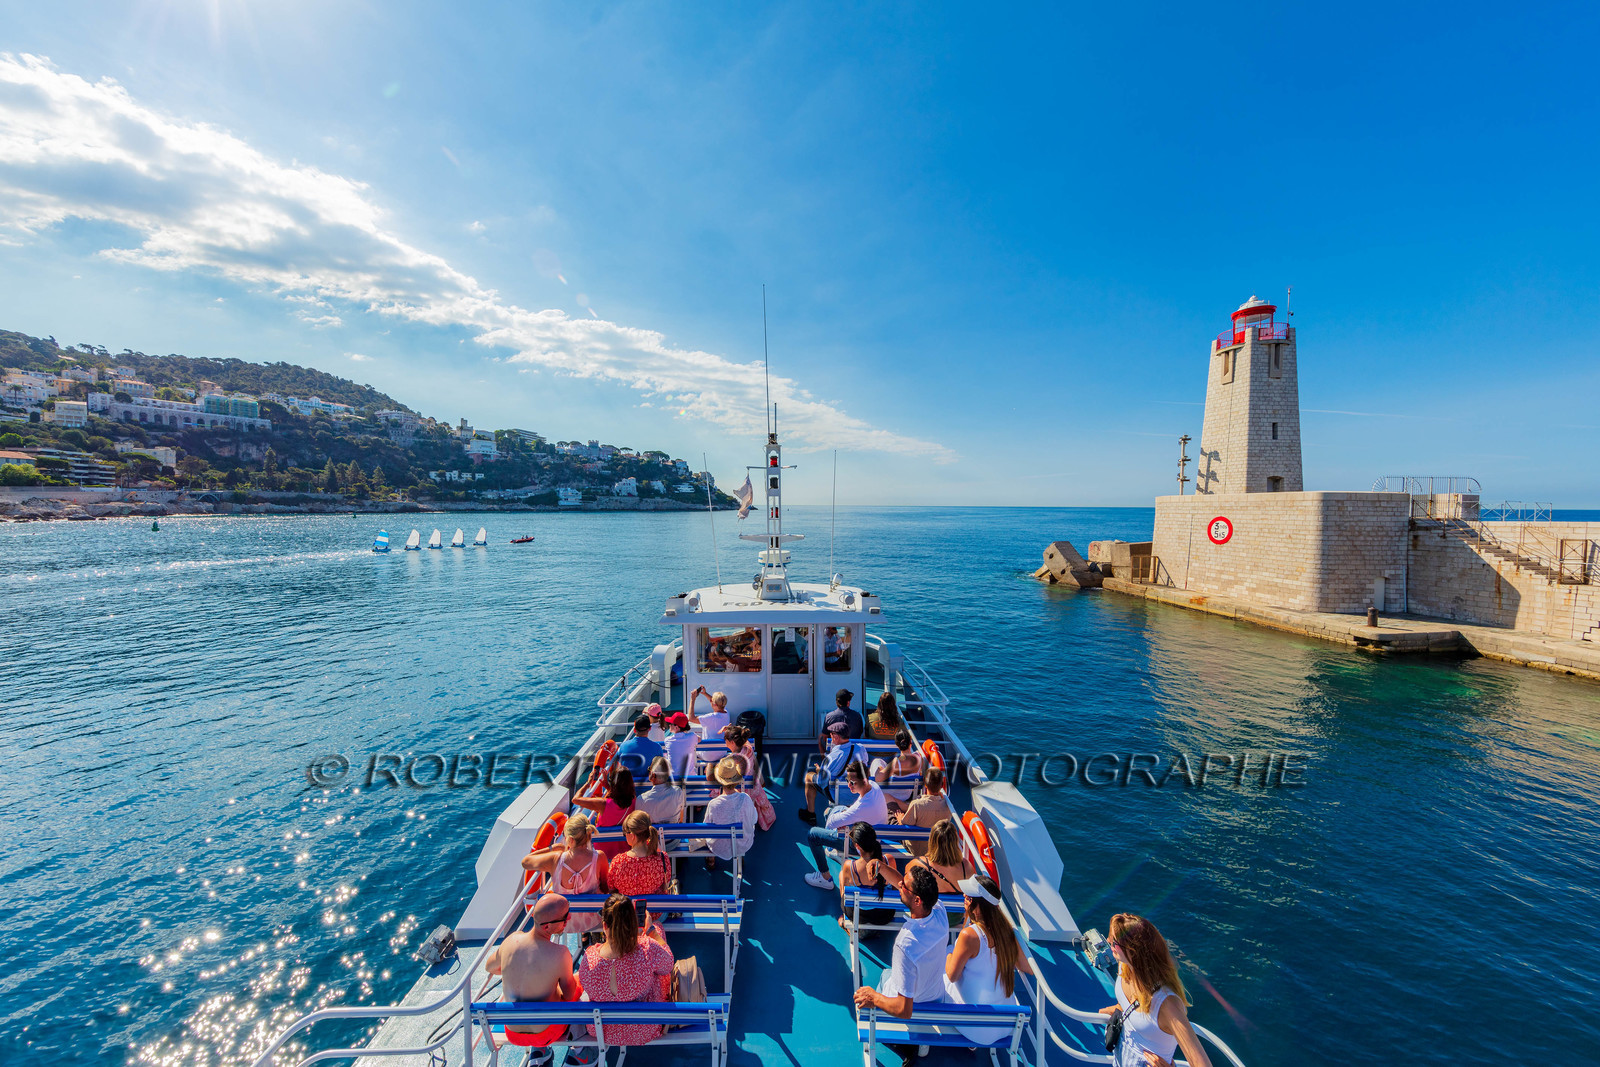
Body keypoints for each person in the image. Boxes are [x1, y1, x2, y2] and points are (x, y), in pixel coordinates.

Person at [851, 867, 946, 1067]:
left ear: (918, 900)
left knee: (885, 976)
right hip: (936, 997)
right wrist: (881, 866)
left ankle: (905, 1045)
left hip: (911, 1007)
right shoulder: (939, 911)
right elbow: (902, 884)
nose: (900, 885)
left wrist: (873, 997)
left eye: (904, 886)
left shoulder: (906, 944)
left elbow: (904, 1009)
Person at [1099, 913, 1213, 1067]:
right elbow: (1133, 1004)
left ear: (1133, 951)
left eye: (1114, 942)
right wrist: (1119, 1008)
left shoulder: (1167, 1005)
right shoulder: (1124, 967)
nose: (1108, 942)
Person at [482, 891, 580, 1050]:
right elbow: (569, 997)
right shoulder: (560, 953)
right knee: (578, 982)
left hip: (513, 1033)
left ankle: (539, 1053)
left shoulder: (511, 941)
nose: (568, 919)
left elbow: (489, 967)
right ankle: (580, 1046)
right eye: (565, 917)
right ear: (547, 926)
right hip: (545, 1034)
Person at [943, 874, 1034, 1044]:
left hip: (977, 1028)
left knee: (942, 969)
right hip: (1005, 1024)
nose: (964, 897)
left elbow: (952, 976)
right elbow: (1027, 967)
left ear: (979, 908)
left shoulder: (969, 936)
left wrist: (948, 956)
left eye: (969, 897)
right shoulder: (1007, 931)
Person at [577, 893, 676, 1046]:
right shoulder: (647, 948)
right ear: (634, 922)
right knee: (658, 938)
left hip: (603, 1031)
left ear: (604, 926)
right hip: (644, 1028)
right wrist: (650, 931)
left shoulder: (589, 957)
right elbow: (668, 964)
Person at [804, 761, 889, 890]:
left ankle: (825, 878)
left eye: (852, 782)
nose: (849, 785)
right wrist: (847, 821)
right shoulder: (873, 786)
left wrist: (844, 824)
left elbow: (831, 824)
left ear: (864, 780)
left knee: (813, 834)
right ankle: (835, 850)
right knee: (835, 810)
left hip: (860, 845)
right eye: (847, 780)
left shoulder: (861, 807)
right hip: (875, 836)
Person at [521, 814, 607, 932]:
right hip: (592, 920)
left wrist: (551, 848)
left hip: (561, 923)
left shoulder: (555, 859)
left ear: (570, 840)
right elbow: (605, 887)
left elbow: (525, 862)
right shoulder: (599, 857)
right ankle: (586, 936)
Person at [799, 722, 871, 826]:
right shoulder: (861, 748)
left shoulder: (832, 757)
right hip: (859, 793)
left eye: (831, 734)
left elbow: (821, 782)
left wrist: (819, 770)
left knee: (809, 776)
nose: (830, 736)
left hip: (839, 795)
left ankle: (810, 814)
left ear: (836, 737)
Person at [837, 822, 898, 931]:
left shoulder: (850, 866)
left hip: (859, 916)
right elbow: (895, 888)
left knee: (842, 875)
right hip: (884, 915)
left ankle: (845, 922)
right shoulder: (889, 860)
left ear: (857, 846)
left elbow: (844, 896)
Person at [701, 755, 757, 873]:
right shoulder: (746, 798)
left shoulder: (713, 804)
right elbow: (754, 819)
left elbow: (706, 828)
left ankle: (711, 858)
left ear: (720, 780)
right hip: (742, 844)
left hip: (719, 847)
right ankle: (738, 855)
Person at [573, 765, 636, 861]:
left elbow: (575, 799)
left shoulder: (603, 804)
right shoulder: (633, 800)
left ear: (614, 784)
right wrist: (607, 786)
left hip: (602, 853)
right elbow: (621, 797)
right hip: (625, 850)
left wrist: (588, 783)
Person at [607, 810, 672, 896]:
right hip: (654, 909)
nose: (625, 836)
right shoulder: (663, 859)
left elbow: (611, 889)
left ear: (633, 836)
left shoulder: (617, 862)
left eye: (625, 833)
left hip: (627, 908)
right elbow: (665, 885)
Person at [723, 725, 775, 830]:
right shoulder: (748, 748)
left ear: (732, 743)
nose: (725, 742)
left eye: (726, 740)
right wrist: (730, 730)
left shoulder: (732, 759)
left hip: (741, 791)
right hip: (753, 787)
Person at [891, 767, 952, 855]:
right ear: (942, 785)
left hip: (916, 849)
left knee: (892, 811)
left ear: (925, 784)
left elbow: (904, 827)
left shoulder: (916, 805)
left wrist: (900, 819)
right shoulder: (948, 807)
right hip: (935, 849)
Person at [635, 756, 685, 825]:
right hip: (673, 835)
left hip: (652, 835)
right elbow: (680, 820)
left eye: (649, 769)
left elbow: (639, 825)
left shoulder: (641, 800)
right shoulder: (678, 792)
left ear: (653, 775)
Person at [663, 712, 699, 779]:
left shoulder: (668, 740)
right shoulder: (692, 736)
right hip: (691, 780)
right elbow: (699, 738)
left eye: (671, 724)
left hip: (674, 781)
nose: (669, 725)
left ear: (676, 727)